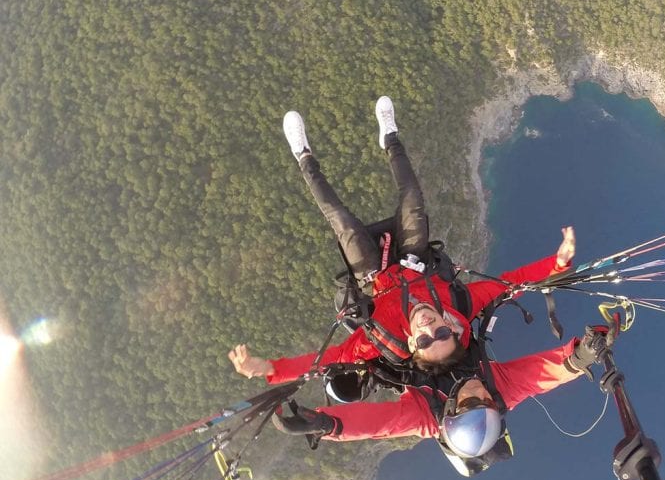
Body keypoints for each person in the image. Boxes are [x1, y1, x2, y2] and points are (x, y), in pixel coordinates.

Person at [229, 96, 575, 385]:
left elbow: (329, 359)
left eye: (424, 340)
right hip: (416, 260)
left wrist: (270, 369)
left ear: (411, 343)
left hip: (373, 276)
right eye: (442, 334)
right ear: (452, 328)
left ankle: (303, 156)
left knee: (340, 218)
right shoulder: (460, 306)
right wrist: (559, 263)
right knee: (413, 198)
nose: (429, 328)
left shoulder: (382, 339)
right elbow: (511, 284)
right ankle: (390, 137)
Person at [272, 325, 611, 475]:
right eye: (488, 404)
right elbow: (546, 373)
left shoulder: (428, 416)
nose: (480, 394)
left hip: (412, 353)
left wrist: (326, 424)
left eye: (470, 404)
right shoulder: (500, 391)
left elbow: (382, 424)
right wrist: (583, 353)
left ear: (451, 411)